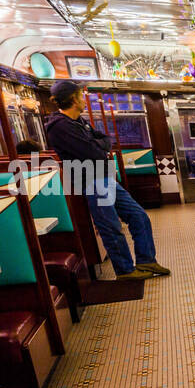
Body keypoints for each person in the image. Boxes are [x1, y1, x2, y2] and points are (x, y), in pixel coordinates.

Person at [43, 80, 169, 281]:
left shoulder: (79, 122)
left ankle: (146, 260)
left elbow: (105, 140)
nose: (83, 99)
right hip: (91, 182)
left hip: (105, 178)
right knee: (111, 227)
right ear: (73, 99)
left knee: (139, 216)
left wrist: (99, 145)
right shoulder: (59, 126)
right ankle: (126, 272)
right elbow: (93, 151)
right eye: (80, 95)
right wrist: (99, 146)